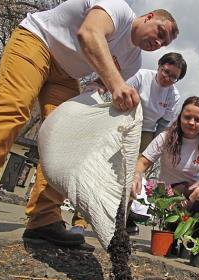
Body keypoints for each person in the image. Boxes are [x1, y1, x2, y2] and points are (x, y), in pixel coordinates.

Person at [0, 0, 179, 247]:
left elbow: (98, 85)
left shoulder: (132, 62)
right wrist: (117, 84)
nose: (159, 42)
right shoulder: (117, 10)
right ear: (148, 17)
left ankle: (44, 218)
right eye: (160, 33)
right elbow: (89, 33)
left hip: (66, 75)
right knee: (10, 110)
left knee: (68, 141)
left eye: (165, 42)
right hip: (37, 42)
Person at [70, 52, 187, 236]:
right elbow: (119, 100)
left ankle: (117, 227)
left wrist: (151, 152)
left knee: (132, 180)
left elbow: (163, 125)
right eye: (166, 72)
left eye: (174, 77)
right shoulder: (141, 76)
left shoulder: (173, 94)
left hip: (147, 133)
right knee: (100, 171)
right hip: (123, 123)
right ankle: (80, 222)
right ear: (159, 65)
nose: (168, 78)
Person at [131, 96, 199, 234]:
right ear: (180, 117)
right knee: (181, 187)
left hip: (193, 193)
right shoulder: (165, 138)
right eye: (187, 117)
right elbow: (143, 161)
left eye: (198, 120)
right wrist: (136, 175)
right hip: (169, 194)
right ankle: (172, 228)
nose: (191, 122)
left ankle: (195, 235)